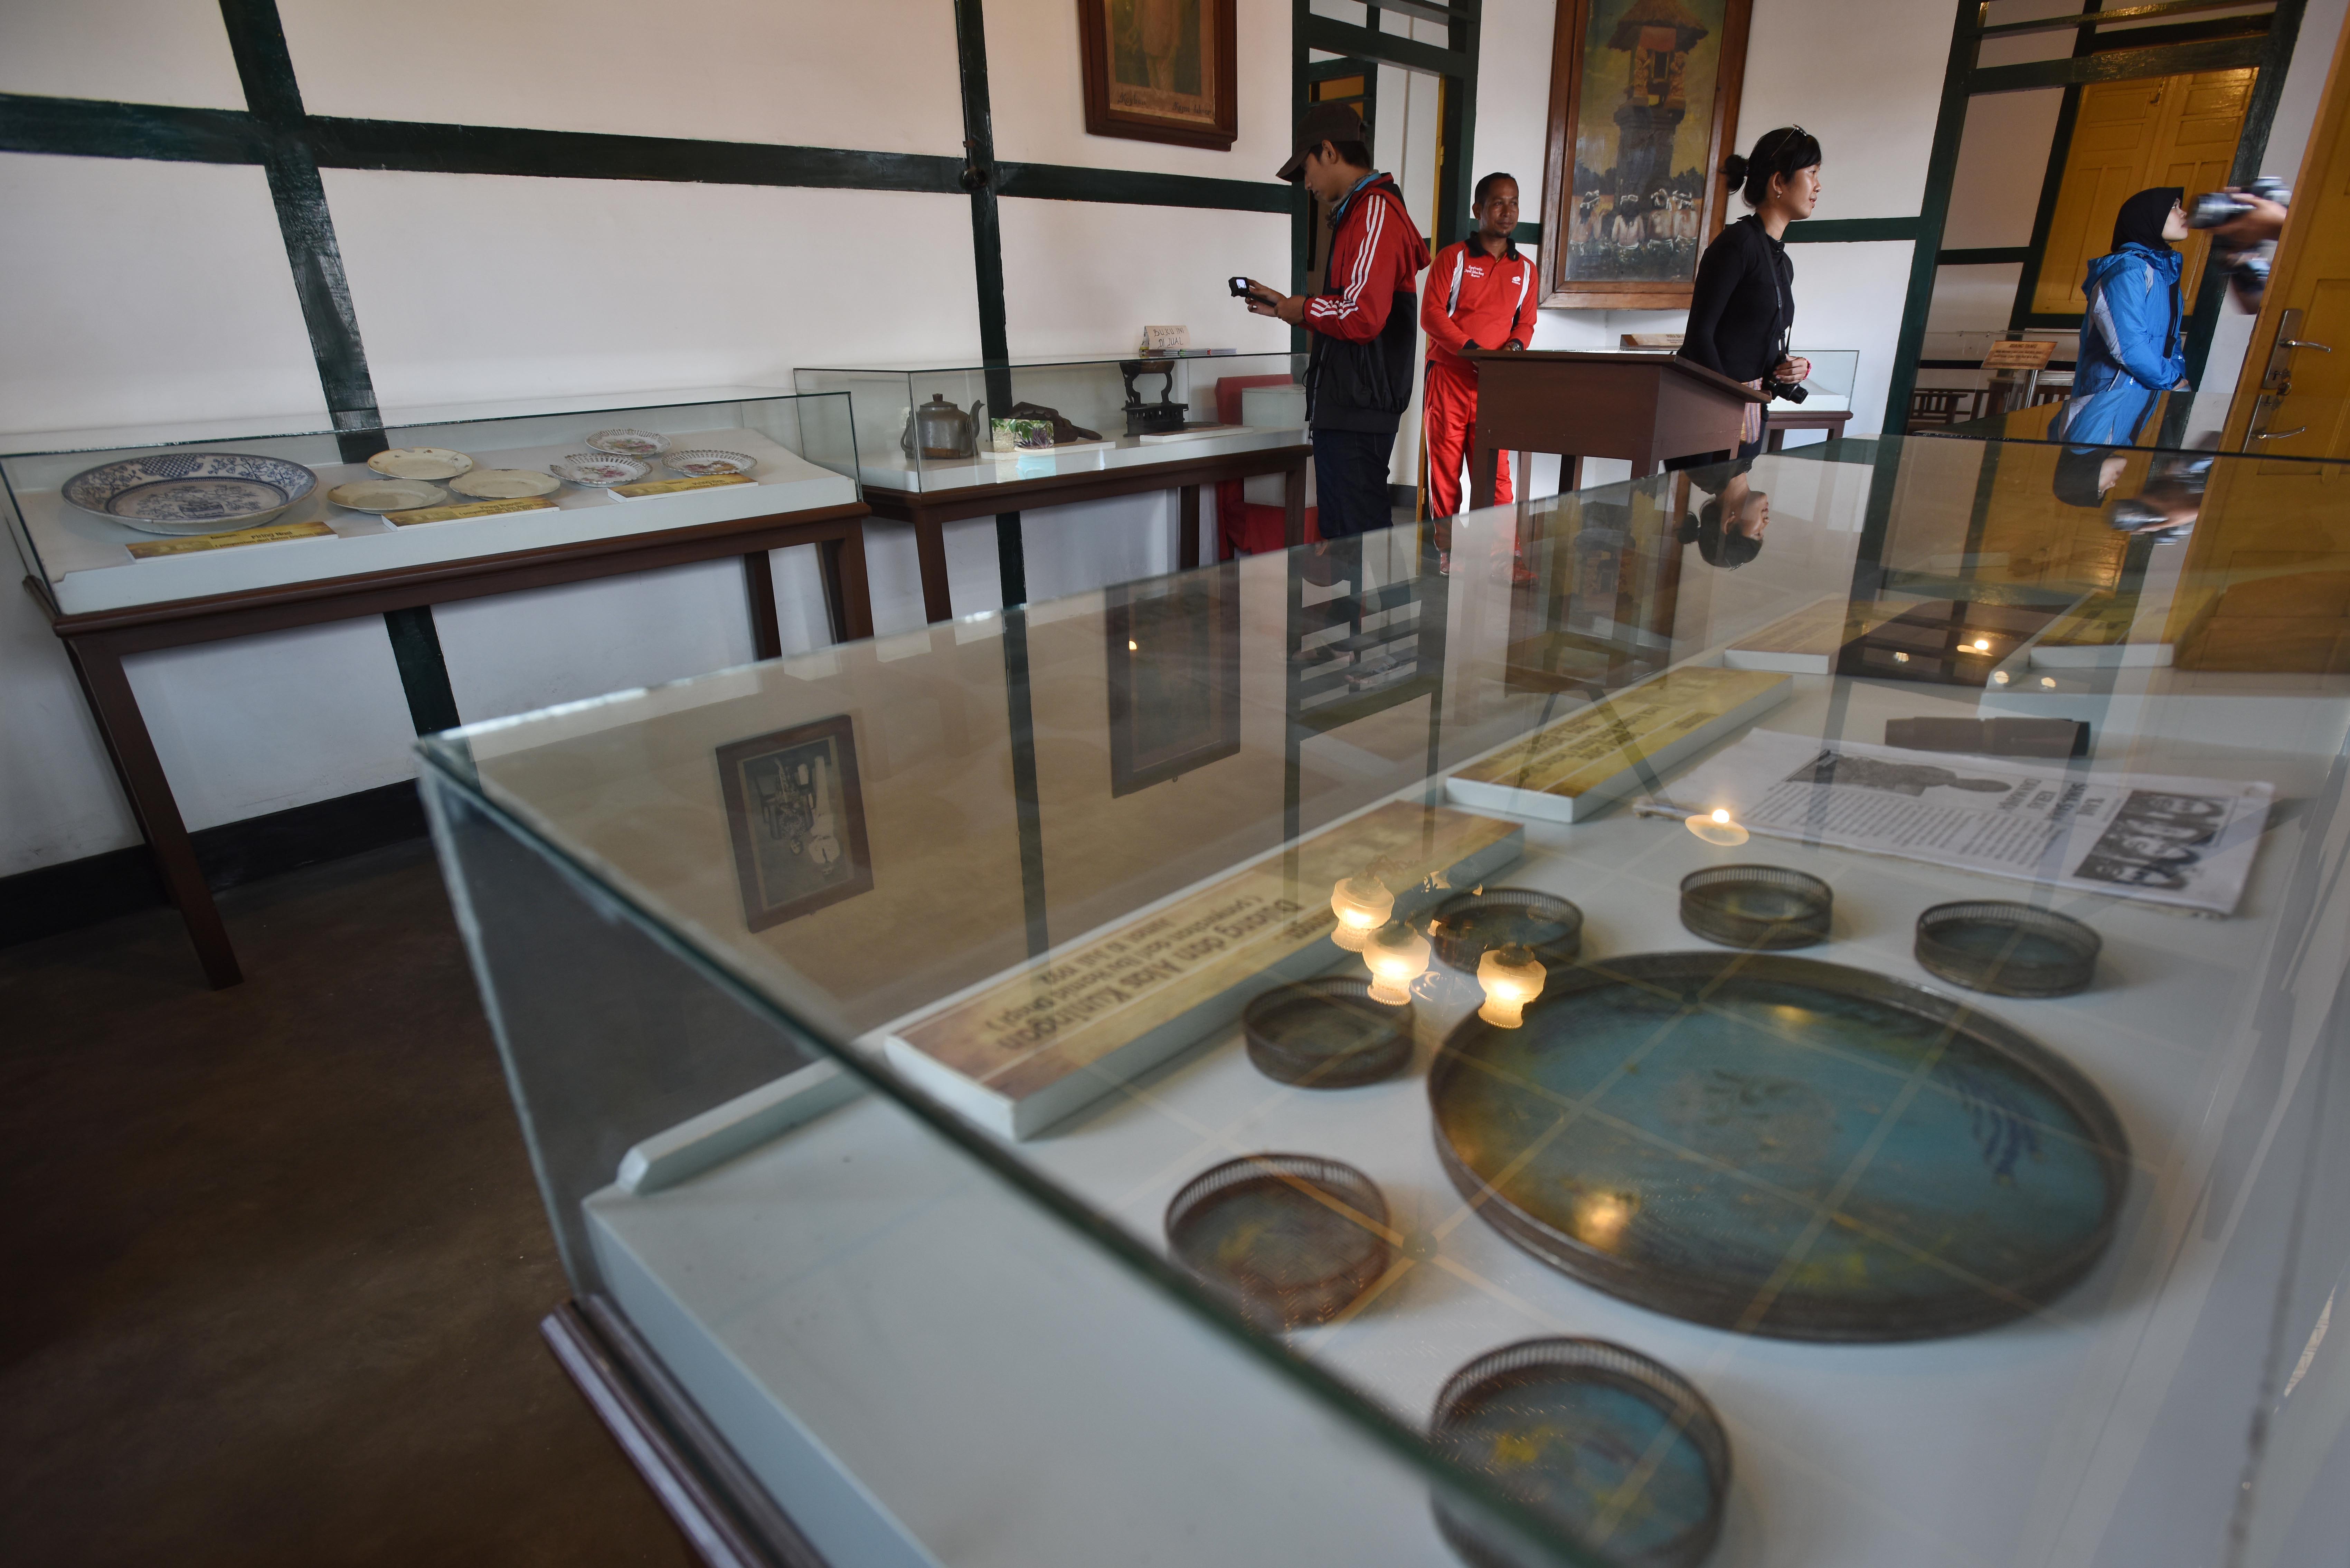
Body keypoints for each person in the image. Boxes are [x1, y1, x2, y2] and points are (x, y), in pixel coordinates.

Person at [1240, 103, 1429, 539]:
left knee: (1364, 538)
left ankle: (1379, 591)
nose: (1306, 184)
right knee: (1348, 537)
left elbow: (1363, 316)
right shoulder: (1356, 213)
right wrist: (1288, 308)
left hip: (1360, 407)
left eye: (1306, 169)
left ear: (1328, 151)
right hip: (1347, 403)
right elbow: (1350, 310)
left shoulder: (1375, 210)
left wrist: (1303, 308)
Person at [1672, 126, 1822, 471]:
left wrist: (1790, 367)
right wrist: (1731, 405)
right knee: (1723, 503)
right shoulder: (1737, 245)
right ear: (1779, 182)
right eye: (1812, 173)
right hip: (1711, 416)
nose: (1818, 186)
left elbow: (1755, 339)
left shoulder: (1781, 262)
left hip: (1749, 410)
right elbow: (1699, 337)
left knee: (1742, 505)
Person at [1420, 172, 1538, 522]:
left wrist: (1509, 353)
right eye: (1498, 203)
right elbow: (1431, 315)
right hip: (1449, 379)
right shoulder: (1453, 258)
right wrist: (1474, 352)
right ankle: (1446, 551)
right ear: (1478, 210)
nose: (1508, 212)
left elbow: (1526, 324)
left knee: (1497, 477)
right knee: (1445, 475)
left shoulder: (1526, 270)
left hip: (1493, 385)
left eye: (1514, 203)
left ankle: (1499, 553)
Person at [2054, 187, 2190, 451]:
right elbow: (2128, 347)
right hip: (2111, 394)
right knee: (2086, 459)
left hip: (2144, 391)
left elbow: (2169, 343)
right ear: (2148, 217)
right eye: (2173, 206)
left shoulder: (2162, 274)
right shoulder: (2127, 270)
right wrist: (2173, 382)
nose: (2183, 213)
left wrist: (2177, 381)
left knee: (2113, 461)